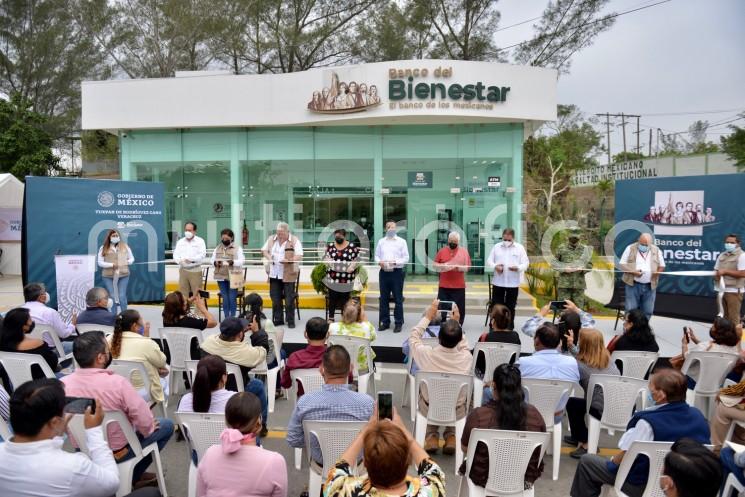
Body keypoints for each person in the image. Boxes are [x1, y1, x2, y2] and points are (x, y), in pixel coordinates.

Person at [569, 369, 710, 497]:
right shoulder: (699, 416)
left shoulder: (647, 422)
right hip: (686, 487)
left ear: (660, 395)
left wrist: (612, 461)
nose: (649, 392)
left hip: (642, 486)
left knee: (587, 462)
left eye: (651, 389)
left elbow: (625, 456)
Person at [62, 331, 174, 488]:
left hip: (82, 449)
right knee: (167, 425)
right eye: (108, 351)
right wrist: (148, 427)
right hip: (119, 451)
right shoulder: (118, 383)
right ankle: (131, 476)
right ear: (100, 358)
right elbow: (142, 417)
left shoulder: (62, 385)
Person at [0, 378, 121, 497]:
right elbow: (112, 483)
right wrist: (94, 431)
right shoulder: (73, 466)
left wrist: (56, 432)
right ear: (54, 422)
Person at [459, 364, 547, 491]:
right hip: (523, 480)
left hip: (483, 478)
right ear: (519, 387)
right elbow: (540, 451)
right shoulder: (535, 415)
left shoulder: (479, 416)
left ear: (493, 386)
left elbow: (465, 447)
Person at [323, 408, 445, 497]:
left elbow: (336, 471)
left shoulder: (345, 490)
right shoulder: (428, 492)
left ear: (365, 462)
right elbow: (434, 470)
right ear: (408, 460)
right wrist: (405, 433)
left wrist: (364, 432)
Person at [286, 345, 374, 465]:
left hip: (320, 465)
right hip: (354, 465)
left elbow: (293, 439)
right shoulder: (367, 403)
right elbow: (377, 441)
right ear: (350, 369)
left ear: (322, 370)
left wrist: (314, 443)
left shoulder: (305, 402)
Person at [409, 299, 472, 454]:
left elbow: (413, 338)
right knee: (458, 398)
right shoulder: (466, 358)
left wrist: (427, 317)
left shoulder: (426, 354)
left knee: (426, 394)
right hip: (455, 410)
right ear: (458, 339)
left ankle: (431, 436)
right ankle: (451, 435)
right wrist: (456, 323)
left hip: (429, 408)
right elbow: (464, 345)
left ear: (438, 338)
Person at [197, 392, 287, 497]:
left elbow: (200, 494)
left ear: (226, 421)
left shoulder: (209, 454)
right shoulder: (275, 461)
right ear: (258, 422)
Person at [200, 317, 269, 436]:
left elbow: (224, 341)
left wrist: (238, 334)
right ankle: (261, 426)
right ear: (240, 334)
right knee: (258, 385)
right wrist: (257, 333)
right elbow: (262, 351)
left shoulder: (208, 342)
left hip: (209, 386)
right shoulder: (245, 352)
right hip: (236, 390)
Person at [564, 328, 620, 459]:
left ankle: (586, 443)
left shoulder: (579, 366)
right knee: (580, 403)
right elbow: (584, 357)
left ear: (583, 345)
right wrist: (571, 346)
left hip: (598, 408)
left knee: (572, 404)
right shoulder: (608, 358)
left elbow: (578, 362)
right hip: (618, 404)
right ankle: (577, 436)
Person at [110, 309, 169, 404]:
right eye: (141, 321)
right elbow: (162, 362)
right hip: (141, 390)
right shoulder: (146, 343)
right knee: (165, 372)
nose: (143, 323)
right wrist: (147, 339)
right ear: (134, 326)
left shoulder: (108, 339)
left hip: (115, 388)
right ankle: (162, 405)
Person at [486, 228, 530, 330]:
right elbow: (489, 261)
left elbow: (526, 263)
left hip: (513, 284)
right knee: (497, 306)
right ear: (502, 237)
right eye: (505, 239)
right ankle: (494, 326)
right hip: (498, 283)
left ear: (513, 238)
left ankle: (509, 327)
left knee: (511, 307)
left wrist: (518, 268)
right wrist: (495, 266)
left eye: (509, 240)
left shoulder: (519, 248)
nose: (506, 242)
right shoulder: (497, 247)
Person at [261, 222, 303, 328]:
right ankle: (278, 319)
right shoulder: (271, 239)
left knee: (289, 299)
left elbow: (299, 255)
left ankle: (290, 320)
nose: (279, 235)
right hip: (274, 273)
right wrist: (269, 257)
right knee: (275, 298)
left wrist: (289, 260)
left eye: (282, 233)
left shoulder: (294, 240)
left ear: (287, 232)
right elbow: (264, 250)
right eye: (278, 233)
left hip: (289, 274)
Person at [680, 317, 739, 387]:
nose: (711, 327)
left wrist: (684, 344)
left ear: (718, 332)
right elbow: (716, 349)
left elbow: (686, 358)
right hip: (716, 386)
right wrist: (696, 340)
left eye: (713, 326)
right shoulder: (735, 351)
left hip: (693, 383)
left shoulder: (704, 346)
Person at [0, 307, 59, 377]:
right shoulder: (38, 344)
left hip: (14, 384)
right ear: (24, 326)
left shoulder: (3, 344)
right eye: (30, 319)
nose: (32, 321)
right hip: (42, 383)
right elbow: (53, 363)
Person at [620, 233, 666, 320]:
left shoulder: (656, 250)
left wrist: (657, 273)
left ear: (651, 243)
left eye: (646, 245)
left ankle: (642, 330)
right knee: (630, 310)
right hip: (632, 284)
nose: (644, 246)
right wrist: (633, 272)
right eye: (642, 244)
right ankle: (629, 330)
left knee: (648, 310)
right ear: (638, 240)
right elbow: (622, 264)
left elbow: (662, 265)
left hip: (650, 286)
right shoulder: (630, 248)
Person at [374, 220, 409, 333]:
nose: (391, 229)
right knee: (383, 298)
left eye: (393, 227)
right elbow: (376, 256)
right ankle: (385, 322)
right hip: (384, 272)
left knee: (398, 298)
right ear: (385, 229)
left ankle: (398, 322)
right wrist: (379, 262)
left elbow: (406, 258)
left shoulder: (401, 242)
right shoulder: (381, 241)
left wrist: (395, 262)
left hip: (396, 272)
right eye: (389, 227)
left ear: (396, 229)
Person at [280, 317, 329, 396]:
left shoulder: (294, 358)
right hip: (330, 403)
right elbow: (349, 379)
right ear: (327, 335)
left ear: (305, 334)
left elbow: (285, 384)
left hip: (304, 404)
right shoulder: (337, 358)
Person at [21, 282, 75, 355]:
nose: (46, 294)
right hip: (50, 351)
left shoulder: (18, 312)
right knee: (80, 345)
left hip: (26, 350)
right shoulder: (50, 312)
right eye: (44, 292)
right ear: (41, 297)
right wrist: (72, 325)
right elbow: (64, 334)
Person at [433, 232, 471, 325]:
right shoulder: (442, 251)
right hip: (444, 285)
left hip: (459, 286)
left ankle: (458, 323)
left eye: (455, 241)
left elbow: (468, 267)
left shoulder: (463, 252)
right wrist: (443, 266)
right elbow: (434, 265)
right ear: (448, 240)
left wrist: (459, 267)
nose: (453, 243)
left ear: (458, 241)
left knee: (459, 307)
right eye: (451, 241)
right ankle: (442, 322)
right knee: (442, 306)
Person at [473, 304, 521, 378]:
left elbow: (477, 360)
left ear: (493, 321)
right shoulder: (515, 337)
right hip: (507, 379)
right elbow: (515, 360)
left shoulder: (485, 338)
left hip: (486, 379)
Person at [328, 299, 376, 372]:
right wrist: (364, 321)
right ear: (359, 314)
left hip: (338, 367)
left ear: (343, 312)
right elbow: (373, 338)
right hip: (361, 369)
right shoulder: (367, 327)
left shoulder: (332, 327)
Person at [323, 228, 360, 320]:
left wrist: (352, 266)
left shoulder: (352, 246)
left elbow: (356, 259)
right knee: (333, 298)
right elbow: (325, 258)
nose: (338, 238)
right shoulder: (330, 246)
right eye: (336, 236)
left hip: (346, 278)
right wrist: (328, 260)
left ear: (344, 236)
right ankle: (331, 318)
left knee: (345, 299)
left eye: (340, 236)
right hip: (333, 278)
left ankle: (345, 318)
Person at [97, 229, 134, 314]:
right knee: (112, 296)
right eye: (113, 236)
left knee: (122, 296)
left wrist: (127, 262)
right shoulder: (103, 248)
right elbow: (100, 262)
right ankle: (113, 316)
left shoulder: (125, 246)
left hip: (123, 274)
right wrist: (112, 265)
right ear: (109, 237)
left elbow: (132, 258)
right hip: (108, 276)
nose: (115, 237)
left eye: (117, 235)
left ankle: (125, 315)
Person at [554, 227, 593, 309]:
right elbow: (554, 263)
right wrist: (564, 269)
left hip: (578, 284)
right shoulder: (561, 248)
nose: (574, 239)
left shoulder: (585, 249)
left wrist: (582, 268)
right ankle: (562, 321)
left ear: (580, 237)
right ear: (568, 236)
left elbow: (590, 265)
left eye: (576, 237)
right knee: (563, 308)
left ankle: (578, 322)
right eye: (572, 237)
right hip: (564, 284)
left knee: (578, 310)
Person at [522, 300, 595, 342]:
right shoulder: (583, 338)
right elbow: (590, 321)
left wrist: (541, 314)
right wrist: (576, 309)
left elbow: (527, 327)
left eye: (560, 317)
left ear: (560, 324)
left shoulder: (550, 336)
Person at [211, 228, 244, 319]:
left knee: (232, 297)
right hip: (220, 276)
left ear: (231, 238)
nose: (224, 240)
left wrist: (232, 262)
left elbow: (241, 261)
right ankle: (226, 317)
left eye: (226, 238)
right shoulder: (217, 248)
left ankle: (232, 317)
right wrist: (215, 263)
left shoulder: (238, 248)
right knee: (225, 297)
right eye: (223, 238)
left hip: (233, 276)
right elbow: (212, 260)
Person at [714, 234, 745, 324]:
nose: (729, 244)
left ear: (738, 244)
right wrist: (716, 275)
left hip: (734, 291)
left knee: (733, 319)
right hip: (721, 290)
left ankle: (735, 338)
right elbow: (716, 270)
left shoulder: (742, 256)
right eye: (727, 242)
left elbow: (743, 273)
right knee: (722, 318)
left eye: (732, 242)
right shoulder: (722, 255)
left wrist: (725, 271)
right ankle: (724, 338)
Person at [173, 221, 206, 299]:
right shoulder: (180, 242)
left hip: (195, 269)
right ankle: (184, 310)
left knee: (197, 293)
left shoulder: (200, 241)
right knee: (183, 293)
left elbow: (202, 255)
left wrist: (192, 260)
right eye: (186, 230)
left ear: (194, 231)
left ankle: (198, 311)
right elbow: (175, 255)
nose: (187, 232)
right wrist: (179, 261)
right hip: (183, 270)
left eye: (189, 230)